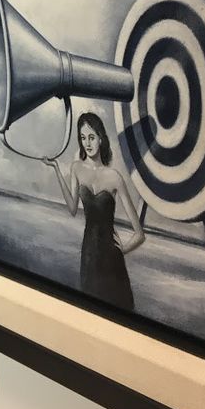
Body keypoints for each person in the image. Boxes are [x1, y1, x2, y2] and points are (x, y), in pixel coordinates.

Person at [43, 112, 144, 311]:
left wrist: (122, 250)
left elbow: (139, 234)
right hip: (89, 254)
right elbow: (72, 209)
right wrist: (56, 169)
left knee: (117, 311)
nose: (87, 143)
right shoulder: (76, 168)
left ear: (101, 138)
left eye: (91, 137)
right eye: (83, 138)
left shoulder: (115, 177)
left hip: (112, 259)